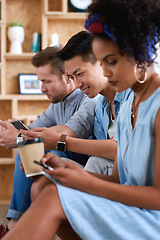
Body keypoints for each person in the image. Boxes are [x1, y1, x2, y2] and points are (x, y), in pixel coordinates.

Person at [2, 0, 160, 239]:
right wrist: (68, 172)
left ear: (138, 51)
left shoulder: (155, 105)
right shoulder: (129, 106)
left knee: (54, 196)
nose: (106, 72)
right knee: (48, 185)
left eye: (112, 61)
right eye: (102, 61)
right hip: (132, 208)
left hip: (150, 219)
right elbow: (119, 179)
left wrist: (84, 180)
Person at [0, 46, 97, 229]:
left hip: (85, 162)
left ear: (67, 76)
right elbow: (35, 129)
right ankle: (18, 225)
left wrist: (21, 137)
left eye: (46, 81)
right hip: (67, 155)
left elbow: (66, 131)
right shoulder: (58, 103)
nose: (42, 88)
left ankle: (19, 226)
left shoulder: (88, 99)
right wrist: (12, 129)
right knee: (28, 148)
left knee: (37, 150)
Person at [21, 31, 131, 175]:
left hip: (131, 176)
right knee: (46, 172)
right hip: (111, 172)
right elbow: (104, 155)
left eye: (80, 74)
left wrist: (61, 142)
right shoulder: (101, 106)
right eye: (72, 77)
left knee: (93, 162)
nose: (77, 84)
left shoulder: (131, 97)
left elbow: (121, 150)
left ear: (101, 62)